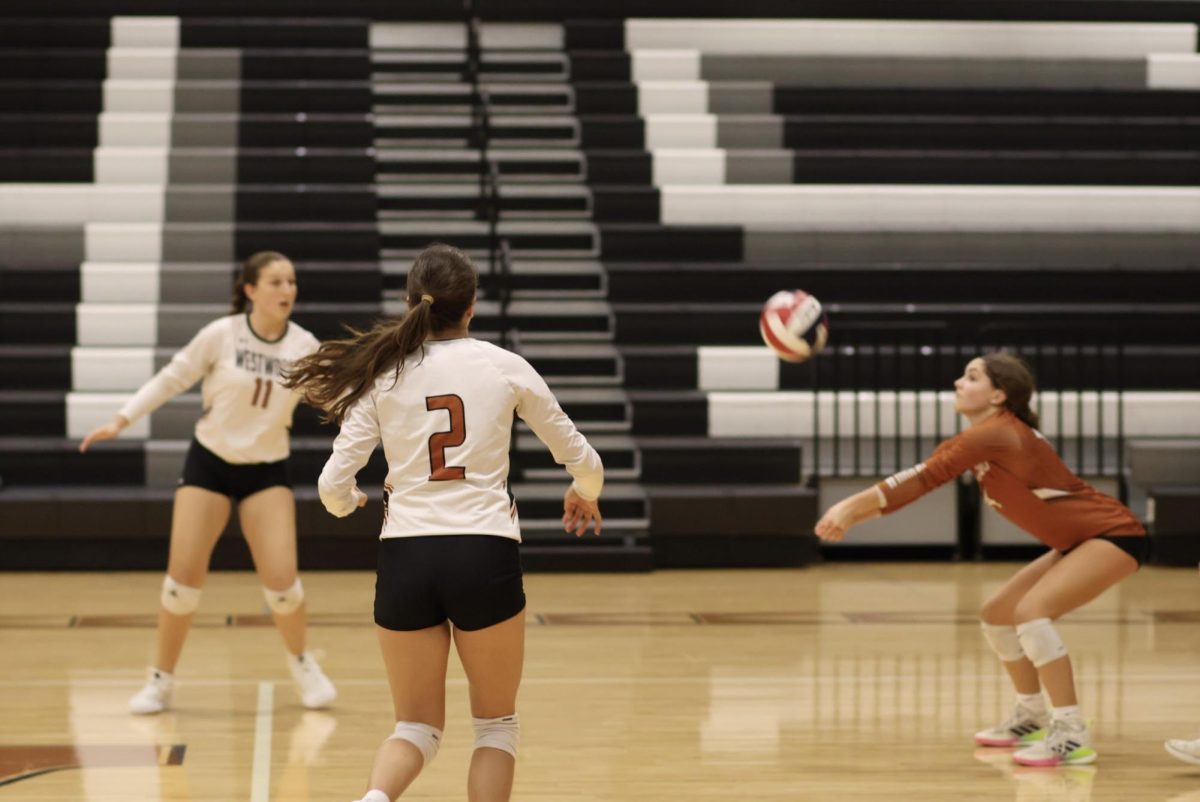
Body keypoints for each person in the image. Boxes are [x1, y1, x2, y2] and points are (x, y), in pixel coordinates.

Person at [282, 243, 603, 802]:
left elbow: (332, 486)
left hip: (406, 557)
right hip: (484, 551)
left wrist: (350, 502)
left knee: (415, 728)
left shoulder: (385, 374)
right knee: (496, 727)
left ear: (411, 303)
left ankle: (373, 800)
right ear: (471, 307)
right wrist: (585, 491)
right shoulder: (504, 366)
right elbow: (583, 459)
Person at [814, 352, 1146, 767]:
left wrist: (848, 508)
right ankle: (1032, 715)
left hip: (1113, 534)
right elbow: (920, 482)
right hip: (1080, 541)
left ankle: (1071, 732)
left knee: (1031, 614)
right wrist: (852, 516)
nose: (958, 382)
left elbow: (920, 478)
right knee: (998, 616)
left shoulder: (998, 433)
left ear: (998, 395)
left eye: (972, 377)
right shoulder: (984, 436)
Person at [79, 251, 337, 714]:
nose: (288, 290)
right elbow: (171, 378)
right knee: (182, 583)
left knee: (283, 585)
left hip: (266, 469)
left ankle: (303, 664)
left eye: (292, 281)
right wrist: (122, 419)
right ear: (250, 290)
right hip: (210, 463)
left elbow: (334, 398)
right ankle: (160, 680)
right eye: (276, 282)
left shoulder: (304, 346)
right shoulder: (223, 334)